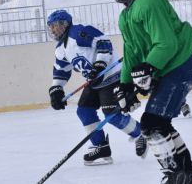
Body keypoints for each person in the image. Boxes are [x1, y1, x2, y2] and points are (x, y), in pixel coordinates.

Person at [110, 0, 192, 184]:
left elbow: (167, 43)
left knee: (151, 124)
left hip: (180, 66)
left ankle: (176, 175)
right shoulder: (126, 15)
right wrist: (125, 86)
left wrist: (149, 67)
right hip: (169, 70)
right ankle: (191, 175)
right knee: (158, 124)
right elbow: (131, 53)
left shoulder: (150, 0)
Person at [47, 9, 148, 166]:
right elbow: (60, 71)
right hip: (94, 80)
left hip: (111, 75)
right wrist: (56, 90)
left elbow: (103, 42)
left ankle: (140, 134)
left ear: (64, 24)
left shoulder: (77, 31)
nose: (52, 30)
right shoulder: (61, 49)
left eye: (54, 26)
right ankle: (101, 147)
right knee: (84, 111)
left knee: (112, 114)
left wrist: (100, 64)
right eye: (50, 27)